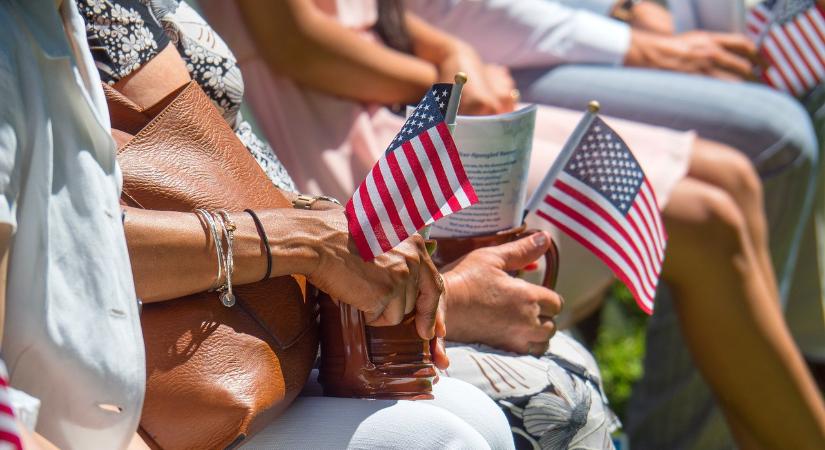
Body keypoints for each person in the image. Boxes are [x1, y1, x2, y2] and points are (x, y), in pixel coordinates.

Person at [202, 0, 825, 448]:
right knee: (706, 221)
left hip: (399, 98)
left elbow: (365, 12)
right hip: (361, 150)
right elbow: (297, 42)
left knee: (731, 183)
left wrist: (445, 49)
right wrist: (438, 81)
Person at [0, 0, 516, 448]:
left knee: (481, 421)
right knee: (452, 436)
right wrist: (310, 243)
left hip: (281, 327)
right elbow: (73, 238)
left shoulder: (51, 21)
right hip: (173, 377)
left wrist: (332, 234)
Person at [404, 0, 825, 447]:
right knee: (725, 198)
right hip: (421, 89)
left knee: (732, 180)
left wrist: (623, 8)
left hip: (465, 56)